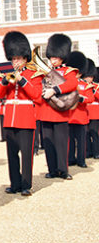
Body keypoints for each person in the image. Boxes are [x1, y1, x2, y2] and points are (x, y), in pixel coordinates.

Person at [0, 31, 43, 197]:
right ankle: (14, 183)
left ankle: (26, 184)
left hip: (26, 118)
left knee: (26, 155)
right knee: (12, 154)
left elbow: (37, 95)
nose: (15, 61)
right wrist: (4, 81)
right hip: (10, 119)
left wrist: (22, 79)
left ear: (24, 57)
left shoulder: (34, 75)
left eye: (18, 58)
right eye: (13, 58)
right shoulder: (8, 75)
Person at [39, 33, 77, 180]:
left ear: (62, 56)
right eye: (51, 57)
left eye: (56, 57)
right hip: (46, 111)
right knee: (48, 144)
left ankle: (63, 169)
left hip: (60, 112)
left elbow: (72, 84)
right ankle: (52, 169)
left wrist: (54, 90)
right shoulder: (45, 72)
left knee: (61, 143)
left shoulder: (68, 71)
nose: (53, 60)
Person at [67, 52, 91, 168]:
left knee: (81, 141)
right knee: (70, 141)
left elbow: (90, 98)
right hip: (69, 117)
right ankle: (71, 158)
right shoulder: (67, 83)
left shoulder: (84, 85)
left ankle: (81, 160)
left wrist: (80, 99)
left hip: (80, 117)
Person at [88, 63, 99, 159]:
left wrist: (94, 91)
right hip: (85, 113)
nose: (89, 79)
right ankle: (88, 152)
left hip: (95, 114)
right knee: (86, 135)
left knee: (94, 134)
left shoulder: (96, 86)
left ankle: (96, 152)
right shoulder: (81, 85)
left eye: (90, 77)